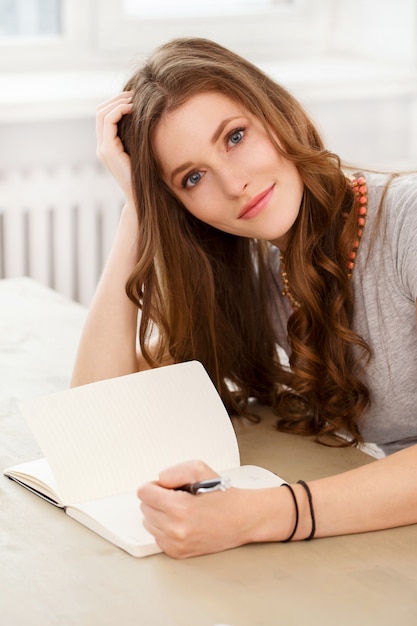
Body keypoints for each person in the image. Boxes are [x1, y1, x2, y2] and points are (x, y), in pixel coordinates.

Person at [70, 37, 417, 558]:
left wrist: (264, 515)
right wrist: (138, 211)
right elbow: (94, 414)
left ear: (274, 113)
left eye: (234, 137)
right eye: (191, 178)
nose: (233, 184)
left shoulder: (407, 224)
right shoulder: (256, 272)